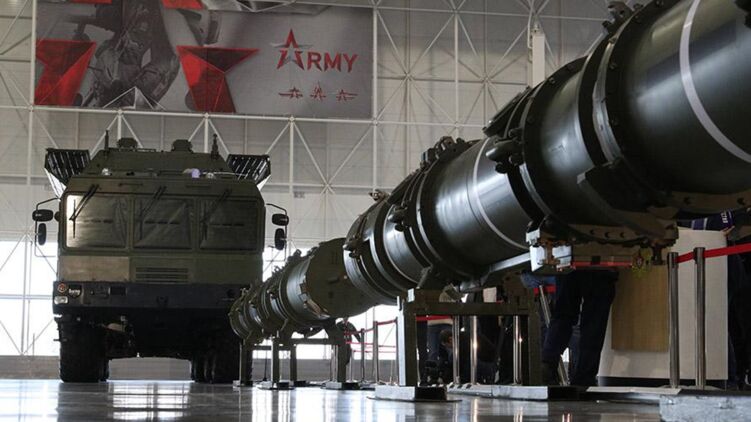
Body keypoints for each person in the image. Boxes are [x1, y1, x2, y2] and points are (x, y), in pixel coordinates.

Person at [541, 269, 618, 387]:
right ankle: (583, 379)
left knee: (563, 315)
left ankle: (548, 364)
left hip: (568, 267)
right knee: (594, 324)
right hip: (601, 268)